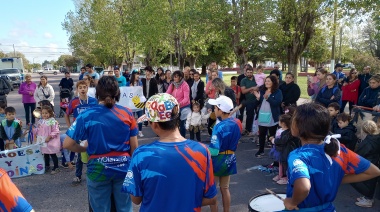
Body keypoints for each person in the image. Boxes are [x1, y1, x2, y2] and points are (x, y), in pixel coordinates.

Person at [122, 93, 217, 211]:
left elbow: (136, 199)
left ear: (155, 125)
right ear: (177, 118)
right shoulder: (203, 151)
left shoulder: (141, 154)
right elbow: (211, 198)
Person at [283, 103, 380, 211]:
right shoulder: (340, 150)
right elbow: (374, 171)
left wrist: (292, 202)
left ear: (297, 126)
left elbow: (303, 187)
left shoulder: (298, 155)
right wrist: (336, 178)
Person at [63, 76, 138, 212]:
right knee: (125, 208)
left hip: (98, 170)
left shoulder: (86, 115)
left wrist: (83, 148)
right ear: (117, 92)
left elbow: (67, 144)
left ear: (97, 93)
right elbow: (134, 148)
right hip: (123, 168)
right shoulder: (127, 113)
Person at [207, 95, 242, 212]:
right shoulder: (237, 122)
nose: (214, 110)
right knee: (225, 188)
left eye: (215, 108)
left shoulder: (218, 127)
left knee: (213, 190)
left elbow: (214, 150)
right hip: (230, 158)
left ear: (221, 110)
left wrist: (203, 148)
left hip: (218, 160)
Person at [64, 80, 98, 184]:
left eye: (84, 87)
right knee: (80, 153)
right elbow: (66, 114)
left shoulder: (93, 101)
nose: (83, 89)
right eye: (80, 87)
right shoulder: (74, 102)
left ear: (87, 89)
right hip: (79, 132)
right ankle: (78, 175)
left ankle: (92, 173)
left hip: (91, 131)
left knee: (92, 152)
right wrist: (70, 127)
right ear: (77, 90)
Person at [352, 120, 380, 208]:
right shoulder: (376, 138)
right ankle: (367, 197)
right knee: (369, 182)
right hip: (374, 162)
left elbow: (359, 154)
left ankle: (368, 199)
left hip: (368, 163)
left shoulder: (368, 142)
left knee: (364, 182)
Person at [253, 76, 283, 157]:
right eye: (266, 81)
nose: (266, 83)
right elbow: (257, 104)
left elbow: (277, 103)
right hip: (262, 115)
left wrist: (268, 98)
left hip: (272, 117)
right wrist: (258, 98)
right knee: (262, 134)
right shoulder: (262, 91)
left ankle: (274, 151)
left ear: (273, 82)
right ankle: (261, 150)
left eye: (268, 81)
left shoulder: (278, 92)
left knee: (272, 135)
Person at [270, 114, 300, 185]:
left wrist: (274, 140)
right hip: (282, 151)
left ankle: (286, 178)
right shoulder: (285, 131)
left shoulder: (288, 133)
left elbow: (282, 141)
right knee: (281, 164)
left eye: (279, 121)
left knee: (286, 165)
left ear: (283, 123)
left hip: (287, 151)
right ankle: (281, 175)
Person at [33, 106, 60, 174]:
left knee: (52, 154)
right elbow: (39, 130)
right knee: (45, 154)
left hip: (51, 141)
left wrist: (50, 136)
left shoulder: (52, 121)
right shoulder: (41, 121)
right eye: (43, 113)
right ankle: (47, 165)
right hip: (43, 141)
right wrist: (34, 130)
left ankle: (56, 167)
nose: (44, 115)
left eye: (46, 113)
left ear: (50, 113)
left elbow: (56, 131)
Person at [166, 70, 191, 137]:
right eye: (174, 77)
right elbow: (167, 93)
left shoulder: (185, 85)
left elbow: (186, 98)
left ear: (180, 77)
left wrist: (179, 104)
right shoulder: (172, 84)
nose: (174, 78)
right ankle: (175, 137)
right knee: (174, 123)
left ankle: (182, 138)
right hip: (175, 106)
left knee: (182, 124)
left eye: (176, 77)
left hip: (184, 106)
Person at [240, 66, 259, 136]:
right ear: (245, 73)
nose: (249, 74)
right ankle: (248, 130)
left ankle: (258, 130)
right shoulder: (243, 80)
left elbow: (261, 87)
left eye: (250, 72)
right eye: (248, 72)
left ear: (252, 72)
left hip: (258, 100)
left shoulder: (256, 78)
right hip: (249, 101)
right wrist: (252, 88)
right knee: (249, 115)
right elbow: (243, 91)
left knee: (259, 115)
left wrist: (256, 89)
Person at [127, 71, 145, 137]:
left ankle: (140, 131)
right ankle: (132, 131)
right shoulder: (128, 83)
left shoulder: (140, 82)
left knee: (140, 117)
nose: (138, 75)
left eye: (138, 74)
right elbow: (126, 93)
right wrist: (130, 88)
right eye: (137, 74)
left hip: (139, 102)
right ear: (133, 75)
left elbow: (141, 92)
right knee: (132, 118)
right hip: (131, 103)